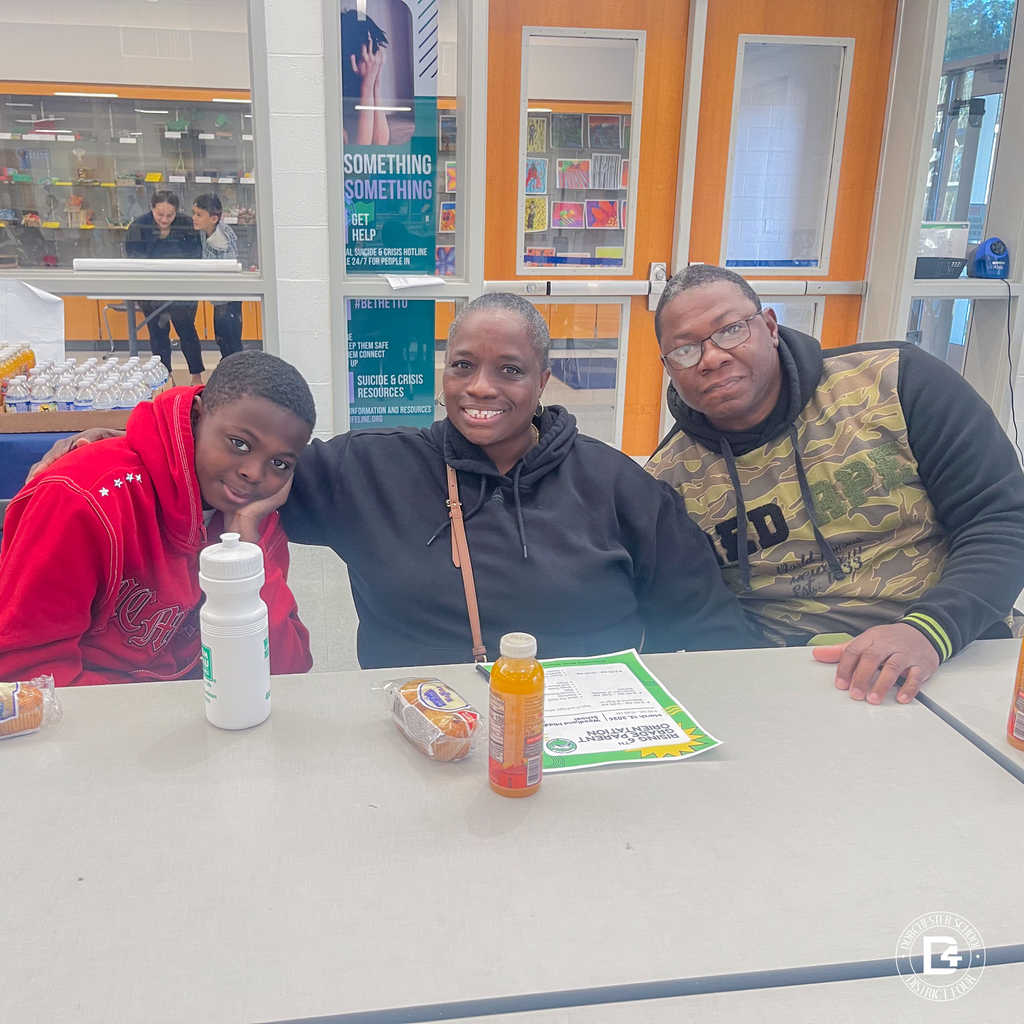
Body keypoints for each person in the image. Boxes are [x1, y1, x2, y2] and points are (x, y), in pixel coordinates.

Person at [30, 293, 763, 669]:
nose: (482, 388)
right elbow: (229, 462)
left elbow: (705, 626)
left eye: (509, 370)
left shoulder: (620, 487)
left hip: (580, 738)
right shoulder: (369, 470)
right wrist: (112, 449)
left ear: (543, 381)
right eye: (463, 365)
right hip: (416, 731)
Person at [647, 263, 1024, 706]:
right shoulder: (665, 483)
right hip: (789, 681)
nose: (712, 358)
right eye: (685, 350)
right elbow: (696, 615)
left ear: (769, 326)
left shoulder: (896, 382)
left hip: (954, 645)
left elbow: (1001, 518)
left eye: (730, 330)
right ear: (669, 368)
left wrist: (929, 632)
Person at [0, 351, 315, 686]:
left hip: (204, 707)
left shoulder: (254, 517)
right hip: (102, 711)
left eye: (279, 464)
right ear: (197, 417)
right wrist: (161, 713)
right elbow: (28, 673)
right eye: (239, 444)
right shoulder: (85, 498)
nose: (254, 473)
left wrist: (246, 551)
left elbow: (287, 671)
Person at [124, 189, 206, 386]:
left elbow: (196, 254)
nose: (164, 219)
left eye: (170, 215)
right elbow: (133, 258)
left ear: (177, 211)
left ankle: (196, 376)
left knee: (186, 329)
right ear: (151, 208)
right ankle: (165, 377)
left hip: (182, 286)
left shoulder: (186, 224)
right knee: (157, 331)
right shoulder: (139, 226)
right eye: (160, 214)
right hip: (150, 288)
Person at [192, 193, 244, 363]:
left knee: (231, 344)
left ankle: (235, 372)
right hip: (219, 298)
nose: (194, 218)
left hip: (228, 299)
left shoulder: (222, 241)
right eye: (194, 213)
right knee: (222, 341)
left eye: (199, 215)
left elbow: (228, 274)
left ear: (213, 219)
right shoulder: (207, 230)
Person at [341, 9, 390, 146]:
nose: (373, 60)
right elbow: (362, 150)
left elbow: (381, 142)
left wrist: (376, 82)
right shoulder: (336, 100)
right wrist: (367, 84)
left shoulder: (360, 90)